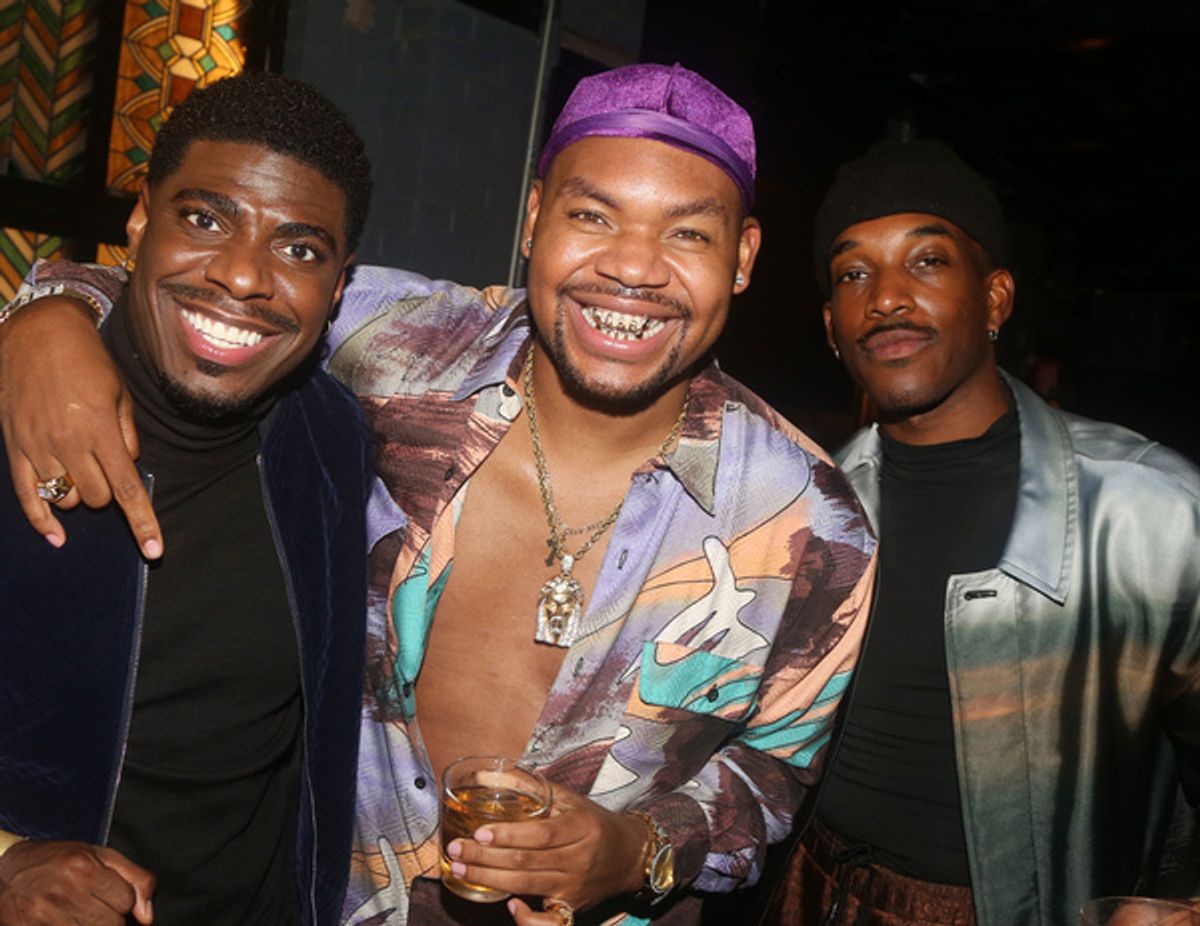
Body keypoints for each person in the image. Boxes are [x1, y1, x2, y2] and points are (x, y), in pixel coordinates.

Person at [0, 64, 878, 926]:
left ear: (744, 257)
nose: (633, 269)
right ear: (534, 220)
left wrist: (641, 850)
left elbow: (777, 768)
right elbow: (217, 285)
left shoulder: (811, 521)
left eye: (687, 234)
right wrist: (50, 316)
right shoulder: (402, 345)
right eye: (592, 215)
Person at [774, 138, 1200, 926]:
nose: (887, 298)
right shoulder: (802, 503)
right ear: (831, 324)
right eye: (853, 273)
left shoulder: (1153, 509)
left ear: (996, 299)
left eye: (926, 262)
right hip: (807, 893)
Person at [0, 72, 374, 925]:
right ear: (139, 220)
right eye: (204, 219)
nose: (244, 277)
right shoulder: (12, 409)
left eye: (301, 249)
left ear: (341, 286)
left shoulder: (335, 438)